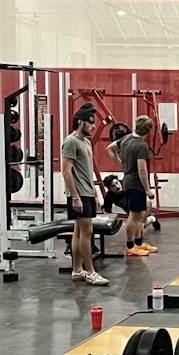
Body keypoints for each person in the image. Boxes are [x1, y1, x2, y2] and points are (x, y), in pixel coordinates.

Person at [60, 108, 109, 287]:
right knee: (86, 232)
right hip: (78, 193)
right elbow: (66, 171)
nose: (94, 126)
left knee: (79, 231)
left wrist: (94, 193)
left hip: (86, 192)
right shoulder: (71, 141)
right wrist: (75, 196)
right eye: (90, 122)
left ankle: (77, 270)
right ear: (81, 122)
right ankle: (91, 272)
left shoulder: (86, 143)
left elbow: (87, 172)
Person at [111, 116, 157, 258]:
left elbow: (110, 148)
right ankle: (130, 246)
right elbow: (142, 170)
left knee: (140, 214)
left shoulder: (125, 139)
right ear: (148, 131)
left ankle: (138, 243)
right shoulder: (141, 145)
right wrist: (148, 189)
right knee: (134, 215)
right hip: (135, 183)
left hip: (130, 180)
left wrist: (121, 163)